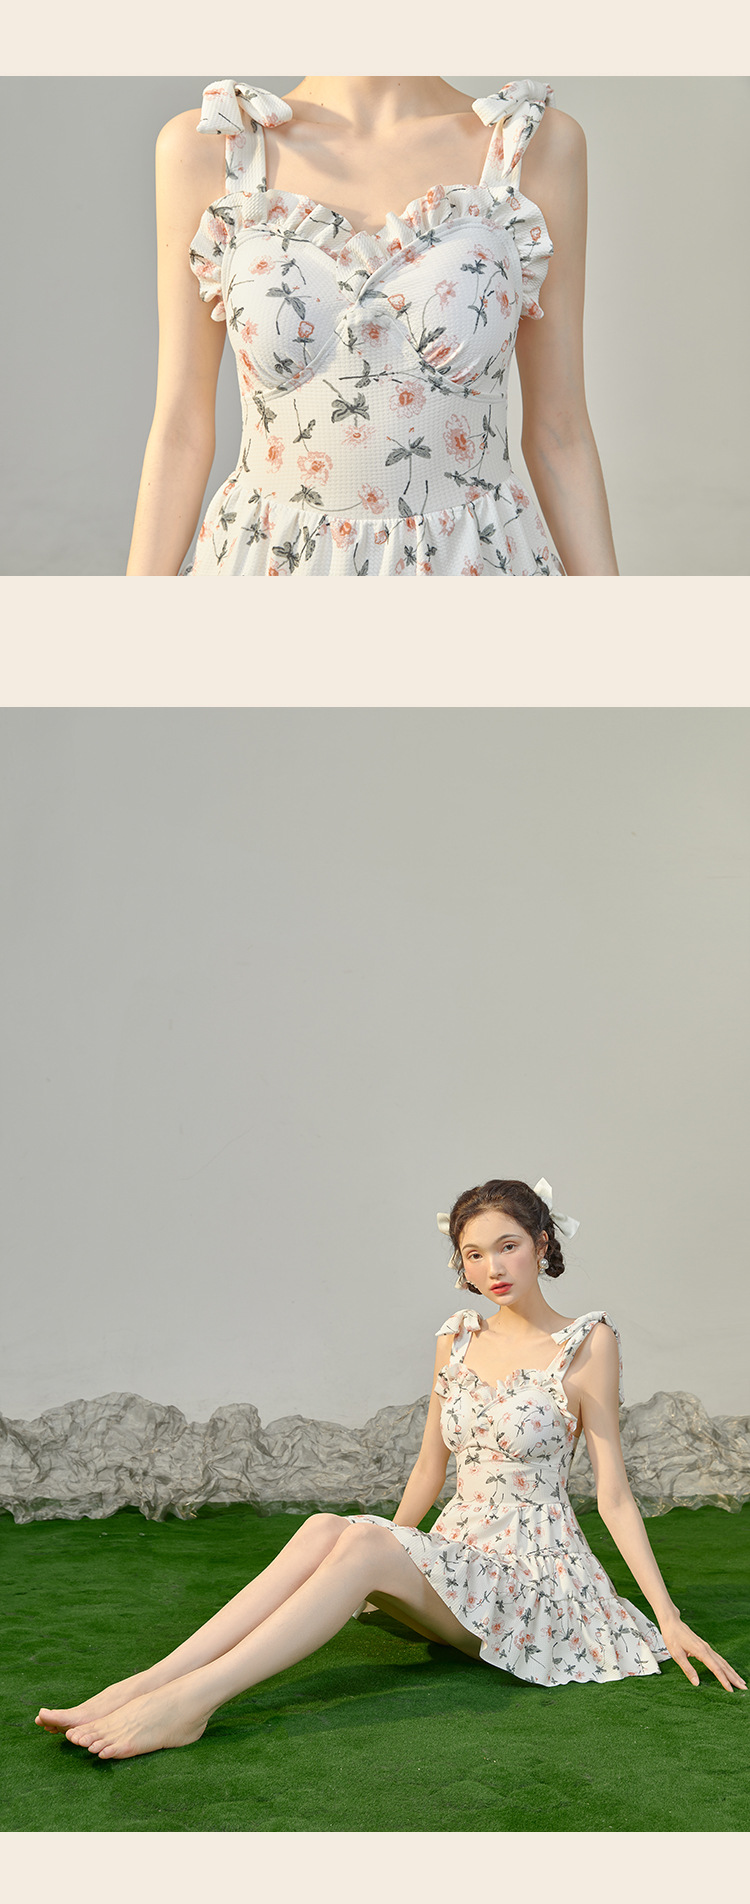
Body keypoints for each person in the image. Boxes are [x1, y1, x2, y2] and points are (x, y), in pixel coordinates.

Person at [35, 1175, 745, 1760]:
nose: (493, 1269)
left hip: (535, 1584)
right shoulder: (456, 1338)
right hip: (459, 1559)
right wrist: (378, 1558)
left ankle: (189, 1706)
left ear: (542, 1243)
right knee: (329, 1527)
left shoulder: (588, 1344)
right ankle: (145, 1683)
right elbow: (430, 1467)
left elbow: (614, 1494)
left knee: (363, 1541)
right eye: (474, 1255)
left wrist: (669, 1618)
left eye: (507, 1247)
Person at [125, 76, 620, 577]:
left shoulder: (536, 146)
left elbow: (560, 429)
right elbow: (180, 430)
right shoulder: (213, 145)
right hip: (271, 562)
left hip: (474, 559)